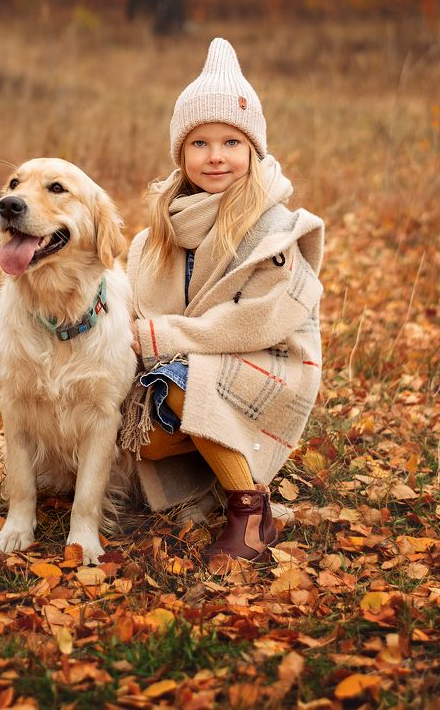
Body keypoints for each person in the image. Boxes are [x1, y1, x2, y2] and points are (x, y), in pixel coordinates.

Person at [121, 37, 325, 562]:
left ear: (253, 149)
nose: (215, 156)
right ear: (181, 152)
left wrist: (160, 337)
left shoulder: (272, 229)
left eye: (231, 141)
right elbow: (131, 308)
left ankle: (250, 513)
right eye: (199, 143)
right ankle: (211, 477)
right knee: (136, 429)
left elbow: (260, 320)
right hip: (184, 363)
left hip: (268, 359)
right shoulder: (158, 235)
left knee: (182, 383)